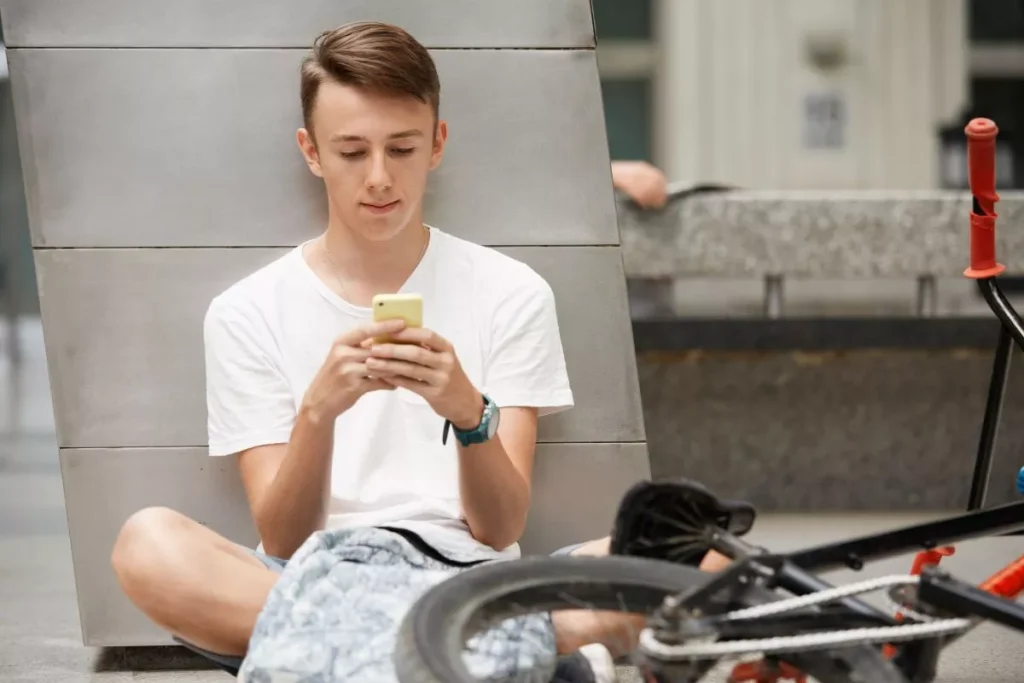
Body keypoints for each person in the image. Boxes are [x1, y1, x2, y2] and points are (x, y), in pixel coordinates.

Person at [109, 21, 722, 682]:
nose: (378, 177)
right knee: (147, 545)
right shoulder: (245, 311)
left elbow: (497, 527)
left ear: (437, 143)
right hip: (313, 570)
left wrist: (467, 411)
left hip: (473, 572)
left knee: (710, 552)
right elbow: (284, 540)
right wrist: (318, 412)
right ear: (311, 152)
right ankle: (514, 644)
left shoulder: (511, 291)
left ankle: (363, 644)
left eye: (401, 148)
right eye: (351, 152)